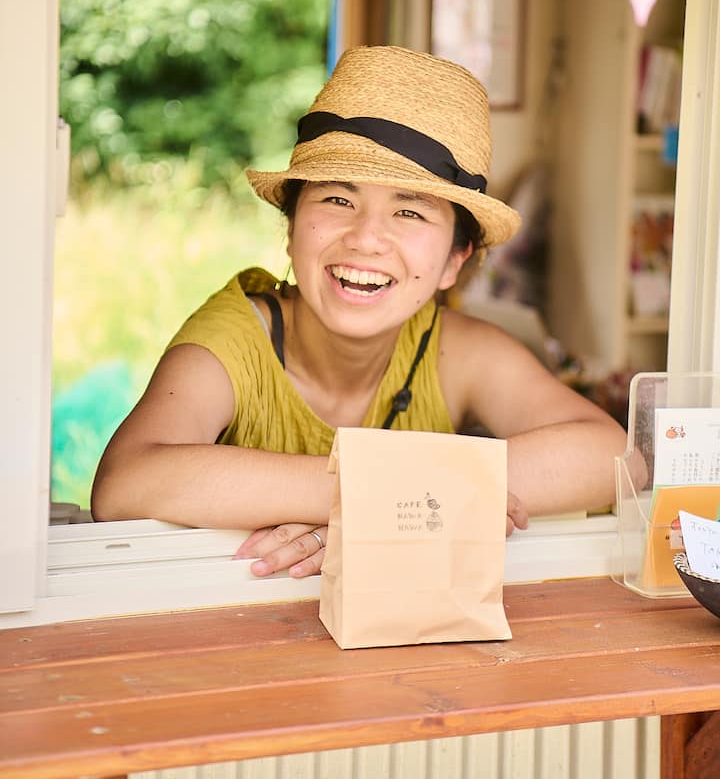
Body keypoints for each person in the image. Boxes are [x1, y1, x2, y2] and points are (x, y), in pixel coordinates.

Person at [92, 44, 630, 579]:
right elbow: (125, 484)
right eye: (337, 200)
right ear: (290, 227)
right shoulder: (233, 342)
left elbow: (613, 455)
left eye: (409, 211)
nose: (367, 238)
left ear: (453, 261)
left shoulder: (450, 348)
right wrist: (388, 495)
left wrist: (385, 511)